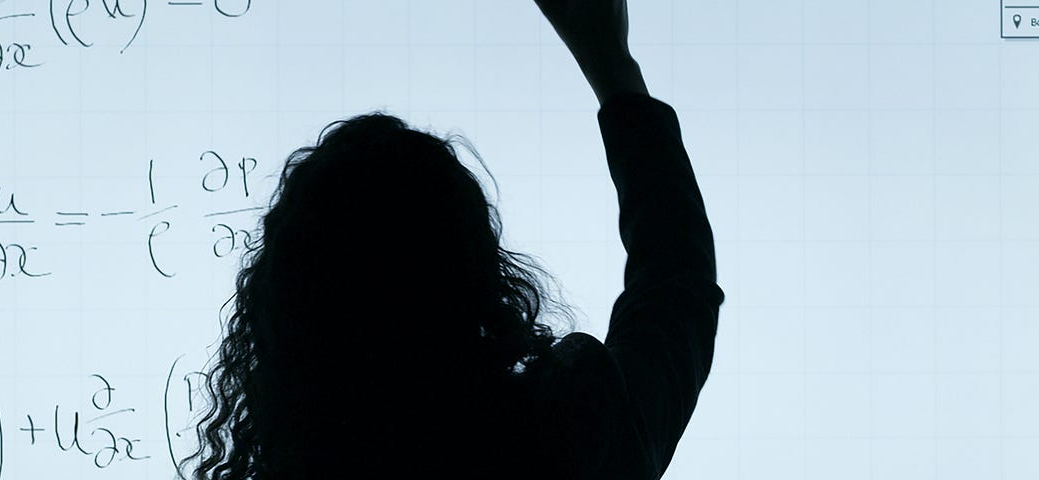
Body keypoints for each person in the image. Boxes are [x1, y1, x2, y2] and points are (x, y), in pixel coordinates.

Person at [185, 0, 722, 479]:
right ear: (473, 277)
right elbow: (676, 285)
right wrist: (613, 69)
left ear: (287, 306)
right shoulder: (573, 438)